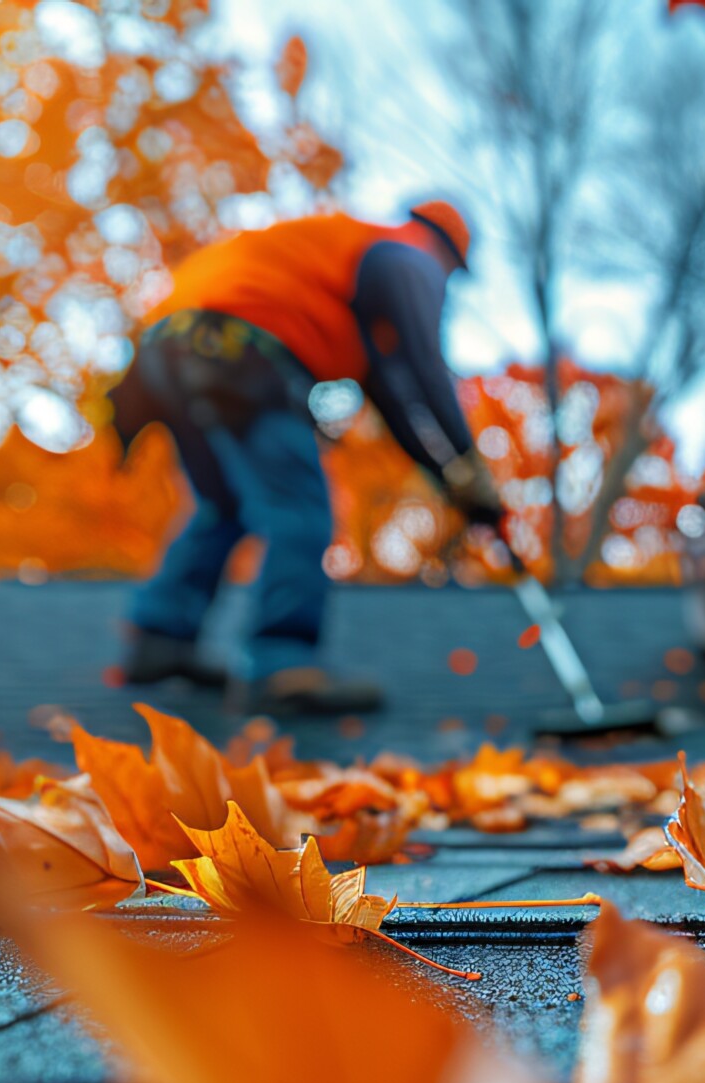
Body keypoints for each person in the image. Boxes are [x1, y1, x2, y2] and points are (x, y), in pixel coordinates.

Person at [106, 200, 503, 716]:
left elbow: (397, 401)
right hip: (239, 346)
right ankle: (283, 664)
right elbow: (425, 366)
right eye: (450, 272)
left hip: (169, 344)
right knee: (301, 508)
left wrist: (451, 483)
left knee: (223, 504)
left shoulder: (347, 280)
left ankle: (161, 641)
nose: (443, 282)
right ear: (446, 251)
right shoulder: (408, 253)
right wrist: (471, 465)